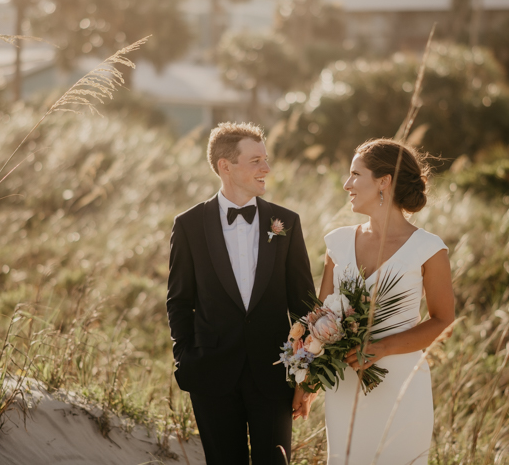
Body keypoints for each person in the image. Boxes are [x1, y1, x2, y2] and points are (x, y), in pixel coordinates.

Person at [293, 138, 454, 464]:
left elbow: (443, 321)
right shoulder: (337, 243)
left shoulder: (428, 248)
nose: (346, 184)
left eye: (355, 174)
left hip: (401, 384)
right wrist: (307, 381)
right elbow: (320, 320)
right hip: (344, 384)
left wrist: (383, 348)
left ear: (384, 181)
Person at [166, 122, 314, 465]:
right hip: (211, 373)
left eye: (266, 159)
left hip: (274, 375)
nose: (266, 168)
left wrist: (305, 374)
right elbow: (179, 300)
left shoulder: (285, 221)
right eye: (256, 161)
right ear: (225, 166)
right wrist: (186, 358)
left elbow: (304, 303)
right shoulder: (188, 224)